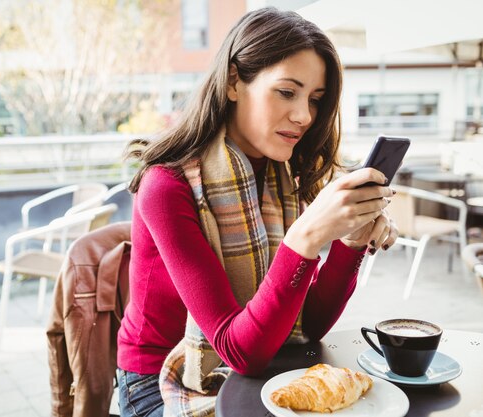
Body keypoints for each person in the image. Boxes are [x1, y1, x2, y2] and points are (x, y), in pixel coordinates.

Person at [117, 7, 398, 417]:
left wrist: (350, 244)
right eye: (287, 92)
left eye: (316, 100)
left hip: (261, 367)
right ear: (234, 81)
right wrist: (305, 238)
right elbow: (238, 350)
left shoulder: (282, 175)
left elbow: (306, 326)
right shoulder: (166, 185)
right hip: (160, 382)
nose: (304, 116)